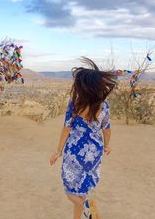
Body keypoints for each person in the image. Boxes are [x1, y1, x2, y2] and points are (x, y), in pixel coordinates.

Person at [50, 57, 117, 219]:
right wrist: (107, 146)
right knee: (82, 189)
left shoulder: (75, 103)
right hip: (94, 152)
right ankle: (81, 214)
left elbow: (66, 128)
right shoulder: (104, 105)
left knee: (69, 191)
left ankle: (89, 209)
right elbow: (106, 130)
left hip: (75, 151)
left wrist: (58, 151)